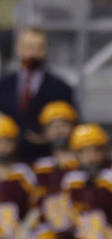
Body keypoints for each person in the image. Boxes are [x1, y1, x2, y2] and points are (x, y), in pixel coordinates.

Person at [0, 27, 74, 164]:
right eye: (28, 47)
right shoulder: (3, 85)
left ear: (46, 50)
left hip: (49, 160)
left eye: (39, 47)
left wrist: (49, 136)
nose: (33, 53)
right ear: (18, 48)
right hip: (8, 162)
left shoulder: (61, 88)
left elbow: (73, 124)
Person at [25, 100, 76, 239]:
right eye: (53, 126)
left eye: (63, 124)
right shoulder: (39, 168)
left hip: (81, 237)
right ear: (45, 132)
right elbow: (34, 208)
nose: (58, 130)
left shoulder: (85, 163)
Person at [0, 113, 34, 239]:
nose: (3, 147)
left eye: (8, 141)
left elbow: (36, 207)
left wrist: (26, 229)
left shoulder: (24, 174)